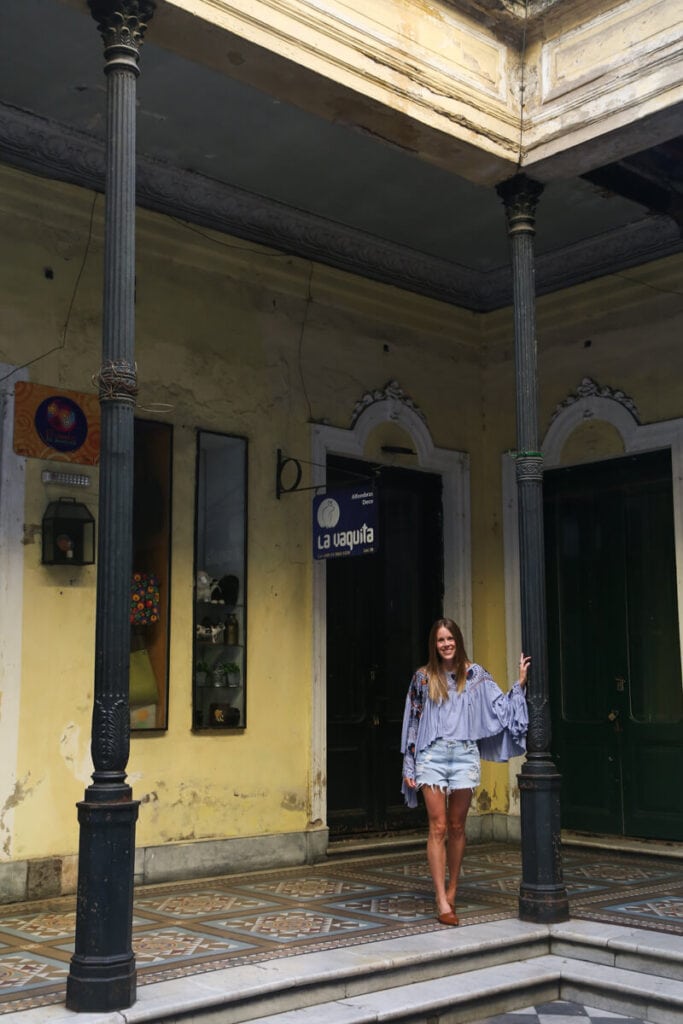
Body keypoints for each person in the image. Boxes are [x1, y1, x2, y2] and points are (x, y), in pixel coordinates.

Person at [400, 617, 530, 926]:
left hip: (464, 755)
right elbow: (414, 721)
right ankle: (440, 899)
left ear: (457, 641)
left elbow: (500, 707)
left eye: (450, 639)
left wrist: (520, 684)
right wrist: (409, 762)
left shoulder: (475, 675)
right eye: (440, 640)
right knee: (438, 827)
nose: (445, 644)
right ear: (434, 645)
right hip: (431, 755)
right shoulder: (422, 677)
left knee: (457, 826)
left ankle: (453, 889)